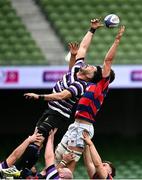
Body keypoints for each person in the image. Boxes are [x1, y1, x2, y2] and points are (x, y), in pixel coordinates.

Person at [18, 18, 103, 170]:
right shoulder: (77, 69)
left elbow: (62, 96)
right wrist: (92, 30)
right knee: (35, 138)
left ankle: (20, 171)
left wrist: (39, 96)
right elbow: (83, 47)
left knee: (38, 139)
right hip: (50, 110)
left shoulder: (80, 86)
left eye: (92, 68)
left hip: (58, 114)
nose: (88, 65)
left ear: (90, 76)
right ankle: (27, 169)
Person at [55, 25, 125, 172]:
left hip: (83, 127)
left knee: (69, 164)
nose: (99, 68)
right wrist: (74, 56)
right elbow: (73, 72)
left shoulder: (102, 85)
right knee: (58, 156)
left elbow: (108, 61)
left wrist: (117, 40)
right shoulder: (87, 83)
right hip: (75, 124)